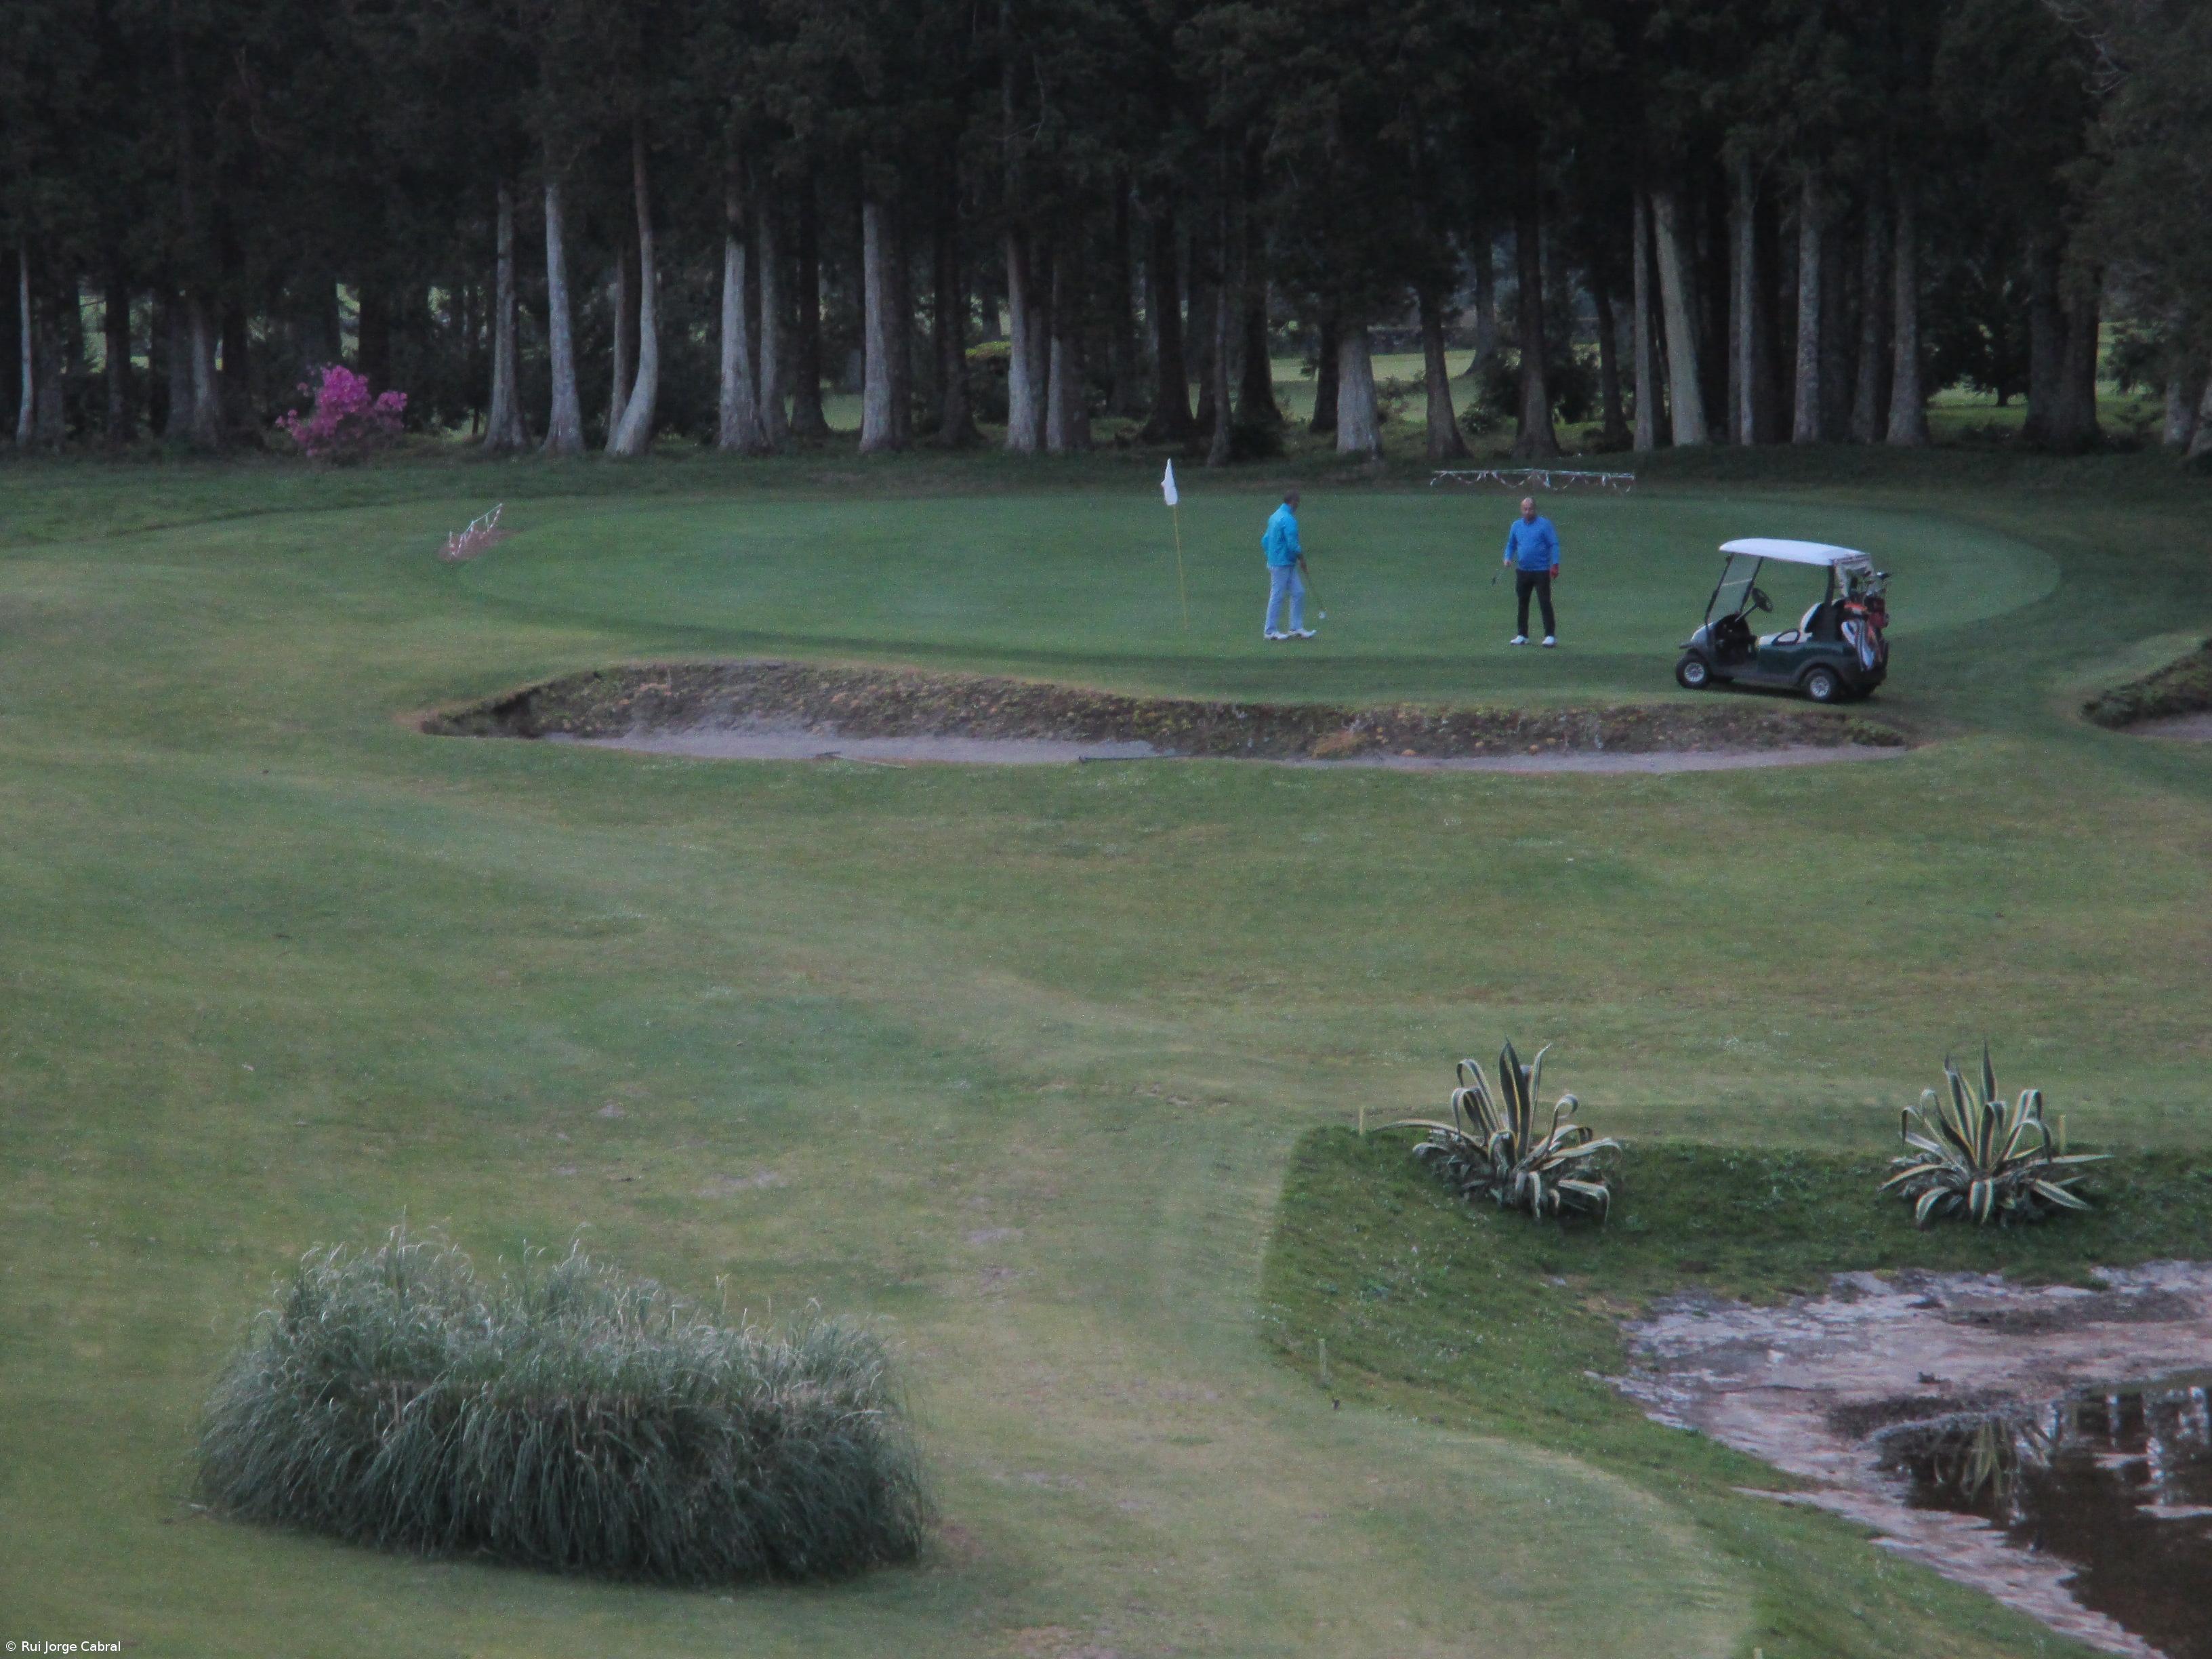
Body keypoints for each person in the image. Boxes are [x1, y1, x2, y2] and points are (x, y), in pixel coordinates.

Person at [1501, 495, 1560, 647]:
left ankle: (1550, 636)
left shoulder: (1545, 525)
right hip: (1523, 571)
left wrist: (1555, 564)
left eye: (1531, 509)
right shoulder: (1516, 526)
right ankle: (1522, 634)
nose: (1528, 512)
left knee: (1544, 602)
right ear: (1522, 510)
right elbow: (1511, 544)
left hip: (1541, 570)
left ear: (1535, 509)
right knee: (1523, 602)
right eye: (1525, 509)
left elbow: (1554, 544)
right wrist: (1507, 558)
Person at [1262, 490, 1314, 640]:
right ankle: (1270, 631)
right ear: (1294, 502)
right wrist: (1302, 559)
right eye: (1298, 502)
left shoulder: (1274, 516)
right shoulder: (1288, 520)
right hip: (1282, 564)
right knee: (1277, 595)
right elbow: (1293, 545)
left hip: (1283, 562)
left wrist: (1270, 554)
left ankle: (1296, 628)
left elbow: (1265, 540)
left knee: (1298, 592)